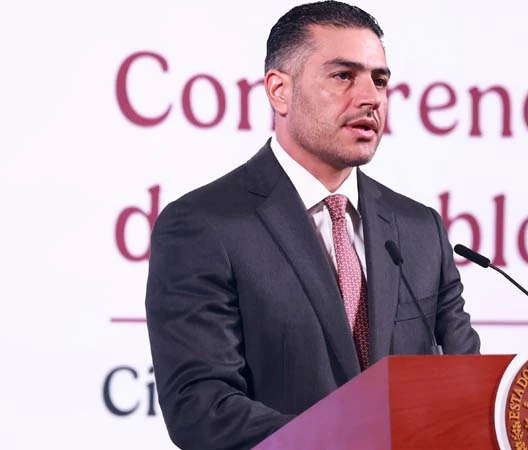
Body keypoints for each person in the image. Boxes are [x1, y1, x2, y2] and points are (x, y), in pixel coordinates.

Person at [145, 1, 481, 449]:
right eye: (343, 76)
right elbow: (203, 410)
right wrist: (355, 439)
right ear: (279, 91)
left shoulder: (420, 229)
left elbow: (468, 389)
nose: (370, 98)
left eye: (380, 80)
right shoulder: (204, 226)